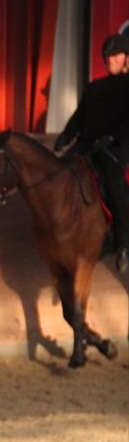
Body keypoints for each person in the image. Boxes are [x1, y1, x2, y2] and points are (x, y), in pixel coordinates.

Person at [54, 33, 129, 272]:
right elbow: (80, 115)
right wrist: (66, 134)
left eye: (115, 56)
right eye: (107, 57)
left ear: (126, 58)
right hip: (87, 144)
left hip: (116, 149)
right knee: (59, 172)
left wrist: (112, 138)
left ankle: (122, 244)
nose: (110, 61)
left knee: (115, 187)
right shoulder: (95, 87)